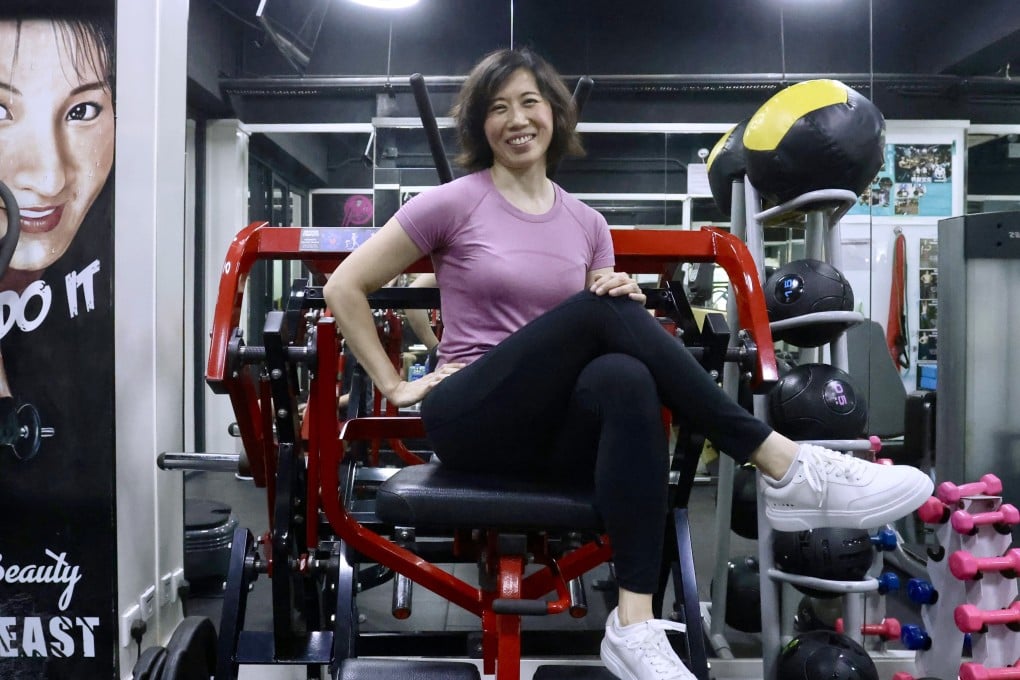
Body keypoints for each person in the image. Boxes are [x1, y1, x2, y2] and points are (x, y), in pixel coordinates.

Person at [323, 48, 933, 680]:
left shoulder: (587, 223)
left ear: (555, 114)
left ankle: (633, 624)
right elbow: (345, 286)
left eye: (530, 102)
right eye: (498, 108)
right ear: (482, 125)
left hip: (554, 434)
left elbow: (596, 335)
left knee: (625, 373)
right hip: (472, 419)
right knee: (600, 312)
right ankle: (782, 461)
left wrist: (622, 303)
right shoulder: (452, 202)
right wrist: (394, 384)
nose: (517, 119)